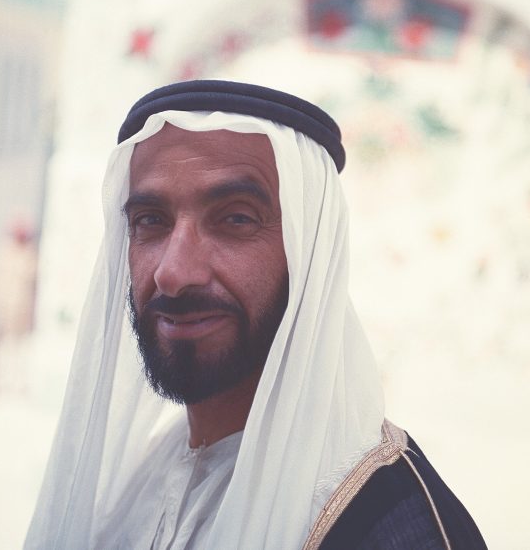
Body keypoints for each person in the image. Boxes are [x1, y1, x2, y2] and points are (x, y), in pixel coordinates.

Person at [26, 80, 487, 549]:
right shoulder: (146, 479)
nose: (173, 273)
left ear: (309, 256)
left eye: (236, 218)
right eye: (151, 221)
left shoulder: (391, 522)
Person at [0, 220, 38, 395]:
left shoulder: (30, 255)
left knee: (19, 347)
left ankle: (18, 383)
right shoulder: (3, 252)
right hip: (2, 306)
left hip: (21, 309)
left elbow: (33, 282)